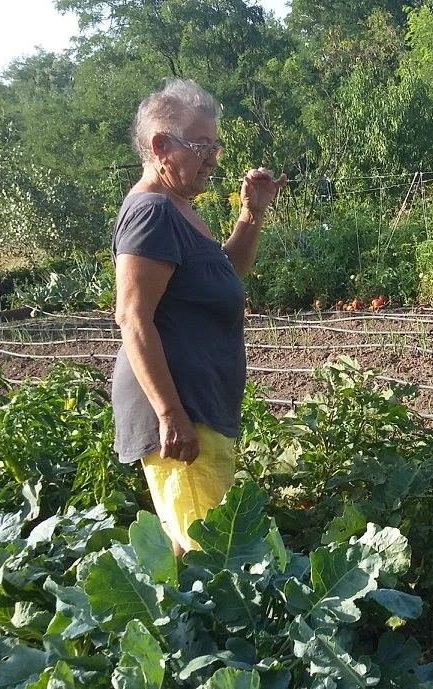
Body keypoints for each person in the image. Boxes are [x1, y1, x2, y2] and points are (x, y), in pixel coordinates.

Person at [111, 78, 286, 554]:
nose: (212, 159)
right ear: (161, 147)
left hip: (199, 405)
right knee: (212, 559)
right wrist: (170, 415)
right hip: (181, 409)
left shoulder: (179, 207)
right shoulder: (152, 212)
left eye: (215, 147)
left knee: (201, 550)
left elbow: (225, 273)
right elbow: (133, 318)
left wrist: (251, 214)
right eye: (202, 146)